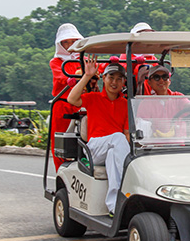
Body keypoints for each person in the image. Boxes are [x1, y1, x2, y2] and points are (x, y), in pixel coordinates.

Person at [67, 57, 130, 218]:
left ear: (124, 82)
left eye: (118, 79)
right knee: (118, 138)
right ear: (104, 79)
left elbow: (127, 134)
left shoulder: (125, 104)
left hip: (114, 149)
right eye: (111, 78)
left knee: (113, 155)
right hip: (94, 148)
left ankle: (114, 205)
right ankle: (129, 188)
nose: (114, 82)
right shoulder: (93, 98)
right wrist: (87, 76)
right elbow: (72, 99)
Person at [49, 23, 85, 169]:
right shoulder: (57, 61)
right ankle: (61, 171)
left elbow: (96, 69)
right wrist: (72, 79)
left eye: (72, 41)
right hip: (62, 103)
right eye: (66, 42)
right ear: (60, 44)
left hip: (81, 103)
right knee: (60, 139)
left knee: (85, 136)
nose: (70, 45)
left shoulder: (82, 59)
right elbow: (61, 77)